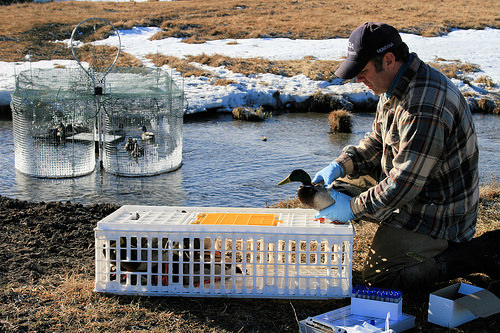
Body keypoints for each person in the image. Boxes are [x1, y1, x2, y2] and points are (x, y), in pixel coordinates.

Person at [313, 22, 500, 290]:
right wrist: (342, 165)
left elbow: (403, 185)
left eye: (363, 71)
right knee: (331, 193)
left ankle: (470, 255)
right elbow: (378, 140)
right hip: (416, 188)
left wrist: (353, 209)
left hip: (439, 213)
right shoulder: (394, 85)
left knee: (381, 278)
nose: (358, 80)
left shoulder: (423, 106)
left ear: (388, 60)